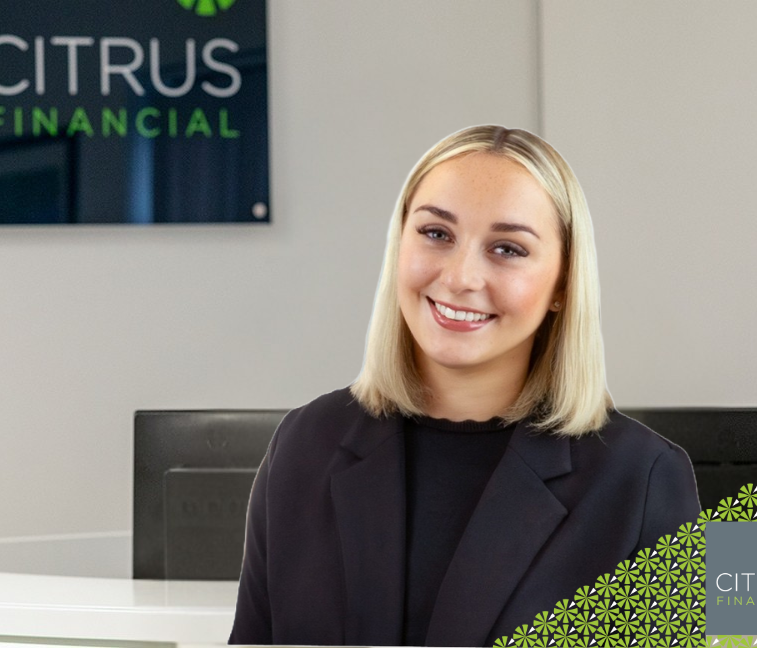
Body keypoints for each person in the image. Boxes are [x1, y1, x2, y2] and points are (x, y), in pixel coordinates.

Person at [228, 125, 701, 647]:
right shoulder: (306, 442)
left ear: (563, 285)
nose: (459, 277)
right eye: (436, 234)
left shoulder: (644, 477)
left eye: (507, 248)